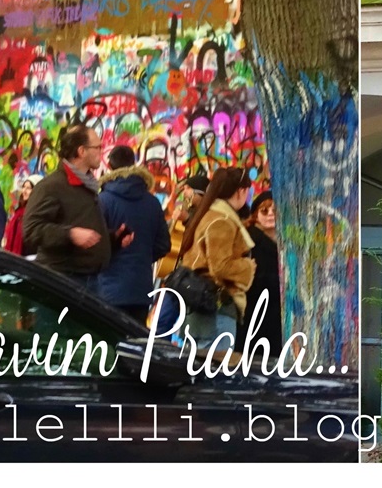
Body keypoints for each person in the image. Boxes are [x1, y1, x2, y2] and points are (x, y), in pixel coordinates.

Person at [21, 126, 130, 291]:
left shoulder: (87, 185)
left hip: (89, 281)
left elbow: (84, 232)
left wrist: (113, 238)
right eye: (97, 147)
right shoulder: (51, 186)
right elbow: (31, 230)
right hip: (62, 282)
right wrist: (70, 234)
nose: (102, 152)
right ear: (81, 151)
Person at [176, 166, 256, 348]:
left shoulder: (209, 214)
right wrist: (247, 267)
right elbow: (220, 267)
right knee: (216, 365)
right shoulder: (222, 220)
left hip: (201, 310)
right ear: (241, 191)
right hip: (216, 310)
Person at [97, 145, 171, 322]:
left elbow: (96, 243)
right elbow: (164, 245)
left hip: (107, 288)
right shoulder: (152, 202)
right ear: (134, 163)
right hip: (140, 289)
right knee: (135, 338)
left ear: (109, 166)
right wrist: (142, 255)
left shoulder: (102, 200)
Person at [242, 190, 284, 355]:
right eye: (264, 210)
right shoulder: (248, 241)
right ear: (255, 215)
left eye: (275, 210)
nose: (270, 214)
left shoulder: (288, 242)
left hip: (278, 315)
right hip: (254, 313)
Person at [3, 178, 35, 255]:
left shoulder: (34, 213)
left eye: (28, 188)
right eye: (23, 187)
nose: (24, 191)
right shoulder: (19, 211)